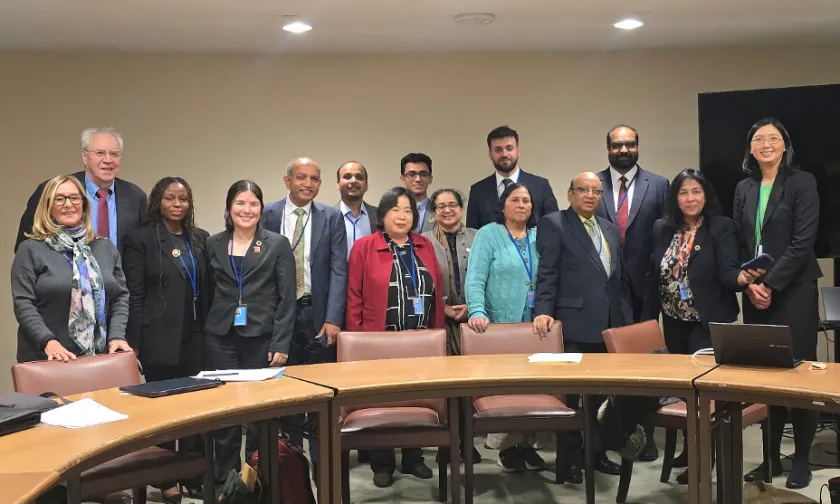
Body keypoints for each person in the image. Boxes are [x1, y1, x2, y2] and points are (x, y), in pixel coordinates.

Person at [643, 169, 761, 484]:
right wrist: (648, 318)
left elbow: (727, 271)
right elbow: (655, 273)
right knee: (683, 390)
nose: (690, 198)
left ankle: (703, 459)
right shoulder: (662, 228)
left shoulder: (721, 227)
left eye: (696, 191)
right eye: (683, 192)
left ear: (705, 195)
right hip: (674, 321)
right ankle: (691, 446)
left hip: (708, 320)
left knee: (704, 391)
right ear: (675, 198)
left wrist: (742, 280)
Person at [734, 118, 822, 489]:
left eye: (773, 138)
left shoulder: (803, 182)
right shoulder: (744, 187)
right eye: (758, 139)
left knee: (798, 376)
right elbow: (741, 242)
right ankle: (770, 460)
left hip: (795, 291)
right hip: (756, 293)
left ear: (785, 145)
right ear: (751, 149)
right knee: (764, 379)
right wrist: (749, 283)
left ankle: (801, 459)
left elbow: (803, 242)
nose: (765, 144)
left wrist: (769, 282)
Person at [533, 172, 633, 483]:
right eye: (583, 190)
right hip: (576, 322)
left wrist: (626, 320)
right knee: (573, 399)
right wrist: (543, 311)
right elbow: (547, 272)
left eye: (595, 191)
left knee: (605, 398)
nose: (590, 195)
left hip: (610, 324)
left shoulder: (607, 226)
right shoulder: (555, 223)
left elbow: (616, 277)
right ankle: (569, 461)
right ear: (570, 193)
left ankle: (596, 453)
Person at [346, 186, 445, 488]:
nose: (402, 216)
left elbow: (437, 295)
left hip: (420, 341)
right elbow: (354, 297)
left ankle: (414, 458)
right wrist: (358, 343)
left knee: (416, 399)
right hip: (379, 341)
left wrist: (437, 336)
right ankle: (383, 462)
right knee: (382, 402)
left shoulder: (424, 245)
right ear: (382, 215)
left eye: (407, 211)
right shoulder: (364, 247)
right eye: (395, 210)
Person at [122, 177, 210, 501]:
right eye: (170, 198)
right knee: (162, 412)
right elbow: (134, 293)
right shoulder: (140, 240)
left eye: (183, 198)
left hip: (194, 335)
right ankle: (163, 478)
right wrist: (133, 342)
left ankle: (190, 472)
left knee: (193, 409)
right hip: (156, 337)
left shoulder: (199, 239)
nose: (177, 204)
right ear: (158, 200)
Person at [204, 180, 297, 485]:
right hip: (220, 337)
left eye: (253, 204)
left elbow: (287, 298)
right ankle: (225, 482)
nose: (246, 210)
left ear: (261, 209)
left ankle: (259, 479)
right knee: (224, 414)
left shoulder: (277, 243)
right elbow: (207, 292)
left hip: (262, 338)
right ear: (229, 209)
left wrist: (281, 341)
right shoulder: (213, 243)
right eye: (239, 203)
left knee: (259, 416)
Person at [263, 157, 347, 470]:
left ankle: (322, 463)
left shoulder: (331, 217)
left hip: (318, 314)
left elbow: (339, 269)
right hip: (280, 317)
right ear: (287, 181)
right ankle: (291, 463)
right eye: (301, 177)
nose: (308, 184)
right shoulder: (268, 213)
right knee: (286, 389)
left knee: (320, 392)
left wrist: (334, 317)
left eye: (314, 178)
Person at [594, 124, 669, 462]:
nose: (622, 150)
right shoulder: (591, 185)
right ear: (607, 148)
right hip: (605, 290)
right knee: (607, 364)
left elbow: (665, 238)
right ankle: (611, 434)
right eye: (616, 145)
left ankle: (646, 435)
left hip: (644, 290)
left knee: (646, 364)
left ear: (637, 146)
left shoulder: (660, 185)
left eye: (629, 144)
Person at [464, 183, 546, 473]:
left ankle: (524, 444)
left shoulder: (539, 235)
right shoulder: (488, 233)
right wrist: (476, 310)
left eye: (526, 200)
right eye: (515, 199)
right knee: (507, 388)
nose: (522, 204)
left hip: (535, 324)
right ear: (503, 205)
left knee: (532, 388)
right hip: (500, 323)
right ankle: (508, 447)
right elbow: (475, 277)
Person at [12, 173, 132, 363]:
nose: (68, 204)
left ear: (84, 204)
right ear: (48, 206)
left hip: (98, 356)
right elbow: (23, 303)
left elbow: (120, 297)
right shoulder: (31, 249)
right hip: (46, 355)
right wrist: (47, 340)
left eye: (74, 197)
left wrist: (117, 335)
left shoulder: (105, 247)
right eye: (60, 199)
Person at [15, 127, 147, 255]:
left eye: (114, 154)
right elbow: (25, 247)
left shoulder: (135, 197)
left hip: (119, 277)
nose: (108, 160)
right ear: (85, 157)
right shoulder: (53, 191)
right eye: (100, 153)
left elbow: (144, 251)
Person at [466, 125, 558, 229]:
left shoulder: (541, 186)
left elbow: (553, 227)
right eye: (498, 150)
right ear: (490, 154)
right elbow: (472, 232)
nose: (504, 154)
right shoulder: (478, 190)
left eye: (509, 148)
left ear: (518, 151)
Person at [335, 160, 378, 257]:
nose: (354, 181)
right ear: (337, 184)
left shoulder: (380, 215)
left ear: (366, 186)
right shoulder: (327, 217)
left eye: (359, 177)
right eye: (347, 176)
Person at [399, 153, 435, 234]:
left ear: (430, 178)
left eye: (423, 174)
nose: (418, 179)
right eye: (412, 174)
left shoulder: (439, 211)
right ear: (402, 179)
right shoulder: (393, 211)